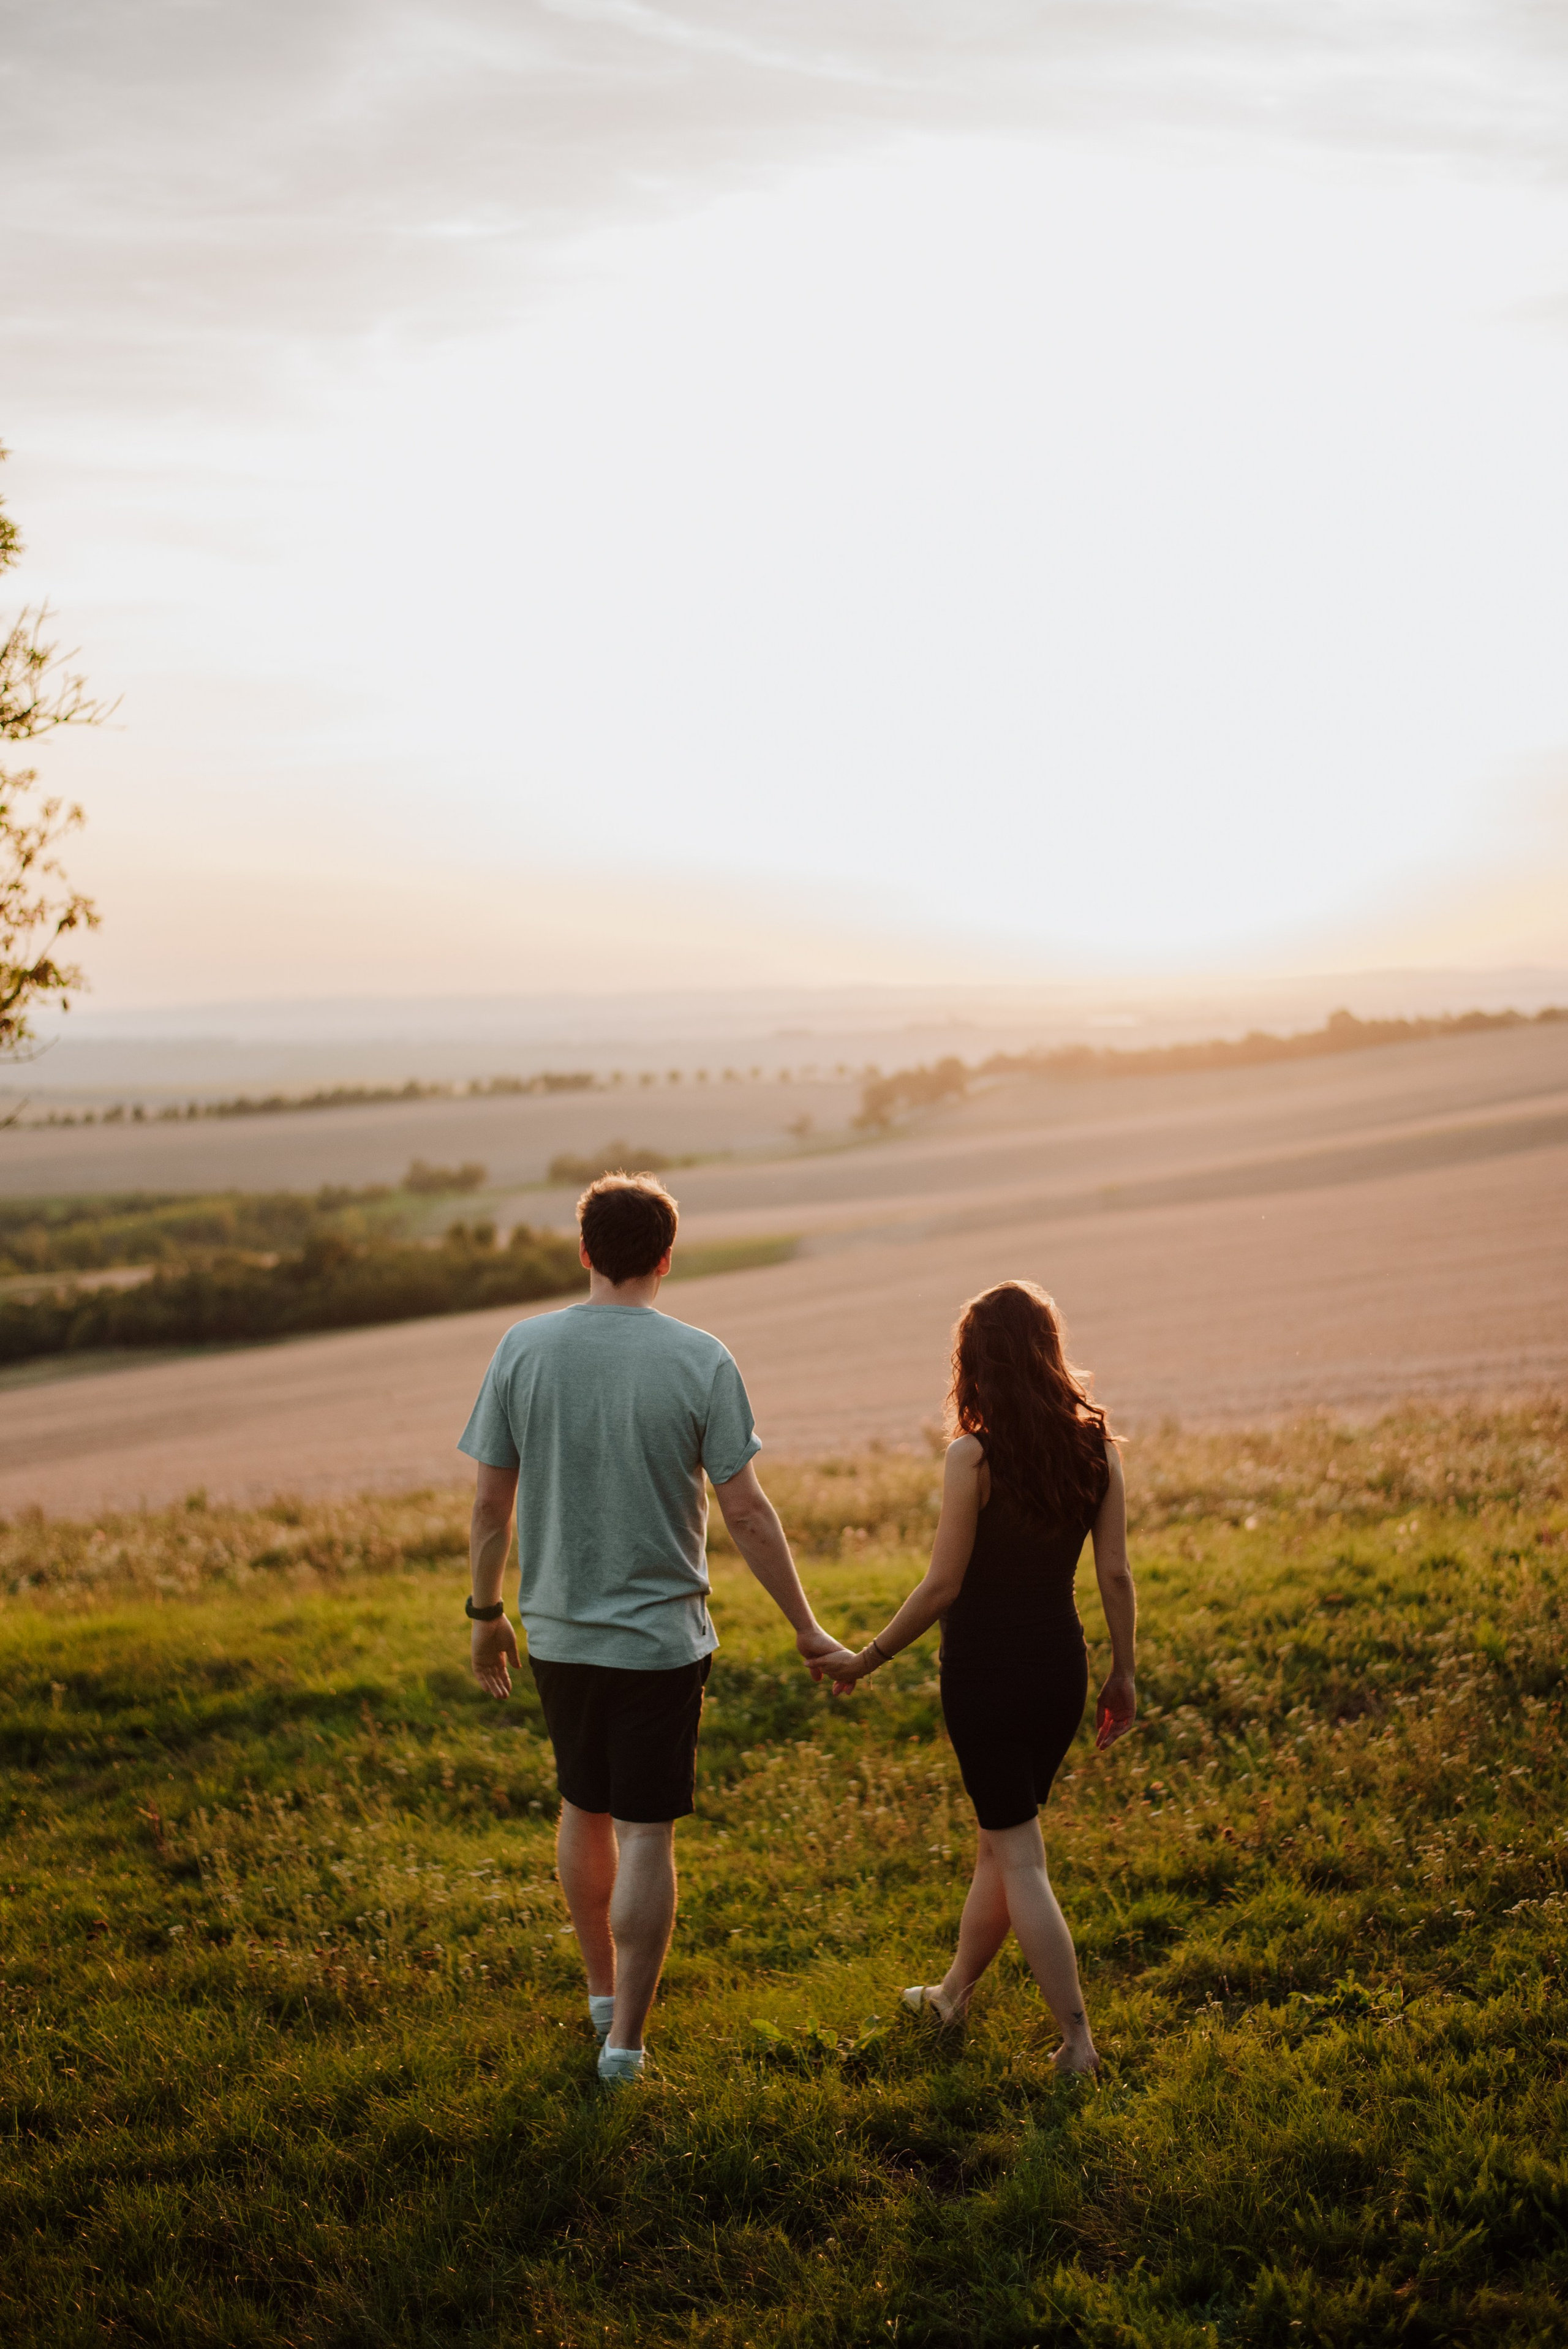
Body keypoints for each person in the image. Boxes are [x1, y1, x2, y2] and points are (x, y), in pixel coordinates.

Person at [459, 1171, 851, 2086]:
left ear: (586, 1252)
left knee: (580, 1805)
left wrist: (486, 1614)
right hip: (661, 1644)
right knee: (645, 1834)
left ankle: (601, 1995)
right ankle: (626, 2047)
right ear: (666, 1258)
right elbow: (747, 1511)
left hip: (557, 1635)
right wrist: (805, 1625)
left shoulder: (523, 1348)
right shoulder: (701, 1358)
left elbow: (489, 1503)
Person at [830, 1279, 1137, 2074]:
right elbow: (1116, 1577)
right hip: (1059, 1671)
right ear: (1049, 1353)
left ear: (976, 1363)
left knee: (1020, 1855)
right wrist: (1123, 1676)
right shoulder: (1096, 1446)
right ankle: (953, 1995)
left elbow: (942, 1587)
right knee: (999, 1847)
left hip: (986, 1676)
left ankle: (1078, 2042)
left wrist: (864, 1661)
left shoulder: (974, 1456)